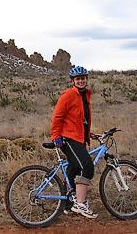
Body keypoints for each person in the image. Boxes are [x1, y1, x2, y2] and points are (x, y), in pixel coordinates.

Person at [50, 66, 97, 219]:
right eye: (78, 79)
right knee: (87, 166)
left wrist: (89, 134)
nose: (81, 80)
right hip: (68, 138)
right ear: (73, 81)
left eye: (83, 78)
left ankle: (68, 205)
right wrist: (55, 136)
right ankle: (80, 204)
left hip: (79, 137)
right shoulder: (68, 95)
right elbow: (58, 117)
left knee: (74, 168)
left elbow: (79, 120)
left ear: (86, 79)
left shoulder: (85, 95)